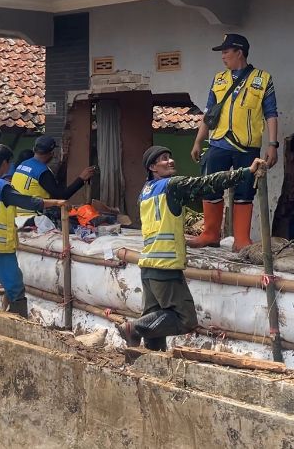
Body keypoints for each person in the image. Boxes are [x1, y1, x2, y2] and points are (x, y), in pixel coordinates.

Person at [118, 146, 265, 351]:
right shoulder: (172, 186)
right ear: (152, 167)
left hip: (149, 266)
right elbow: (207, 183)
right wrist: (245, 172)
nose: (170, 161)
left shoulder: (145, 192)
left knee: (156, 322)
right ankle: (133, 328)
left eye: (170, 157)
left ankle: (151, 362)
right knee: (185, 319)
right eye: (163, 159)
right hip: (165, 267)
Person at [190, 33, 280, 251]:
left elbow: (271, 113)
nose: (222, 56)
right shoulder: (219, 79)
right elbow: (208, 112)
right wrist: (198, 141)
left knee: (245, 191)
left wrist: (272, 144)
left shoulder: (263, 79)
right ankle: (210, 234)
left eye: (226, 51)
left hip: (247, 145)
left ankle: (241, 240)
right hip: (218, 143)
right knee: (210, 187)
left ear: (239, 52)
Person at [0, 144, 65, 318]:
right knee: (15, 288)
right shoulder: (2, 187)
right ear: (5, 163)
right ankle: (19, 324)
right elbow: (28, 202)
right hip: (0, 246)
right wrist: (56, 202)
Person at [11, 135, 96, 223]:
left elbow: (53, 182)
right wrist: (81, 179)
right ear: (52, 153)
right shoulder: (42, 172)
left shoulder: (23, 164)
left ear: (34, 149)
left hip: (17, 214)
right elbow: (61, 197)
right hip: (34, 217)